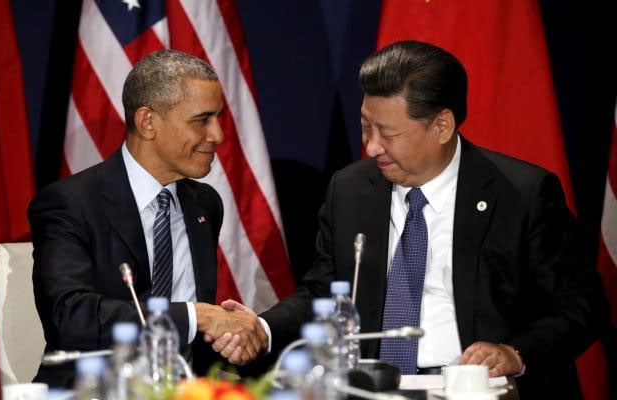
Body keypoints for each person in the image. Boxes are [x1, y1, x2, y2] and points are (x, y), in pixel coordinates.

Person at [214, 41, 608, 398]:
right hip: (373, 388)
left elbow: (581, 306)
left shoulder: (521, 193)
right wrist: (262, 328)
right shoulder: (351, 189)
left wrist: (514, 353)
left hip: (477, 391)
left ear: (442, 126)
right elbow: (323, 291)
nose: (371, 147)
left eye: (387, 133)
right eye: (366, 127)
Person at [29, 50, 267, 387]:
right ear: (148, 122)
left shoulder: (205, 205)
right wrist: (196, 316)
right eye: (202, 120)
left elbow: (192, 342)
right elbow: (70, 316)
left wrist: (233, 338)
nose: (218, 135)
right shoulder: (71, 203)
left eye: (219, 118)